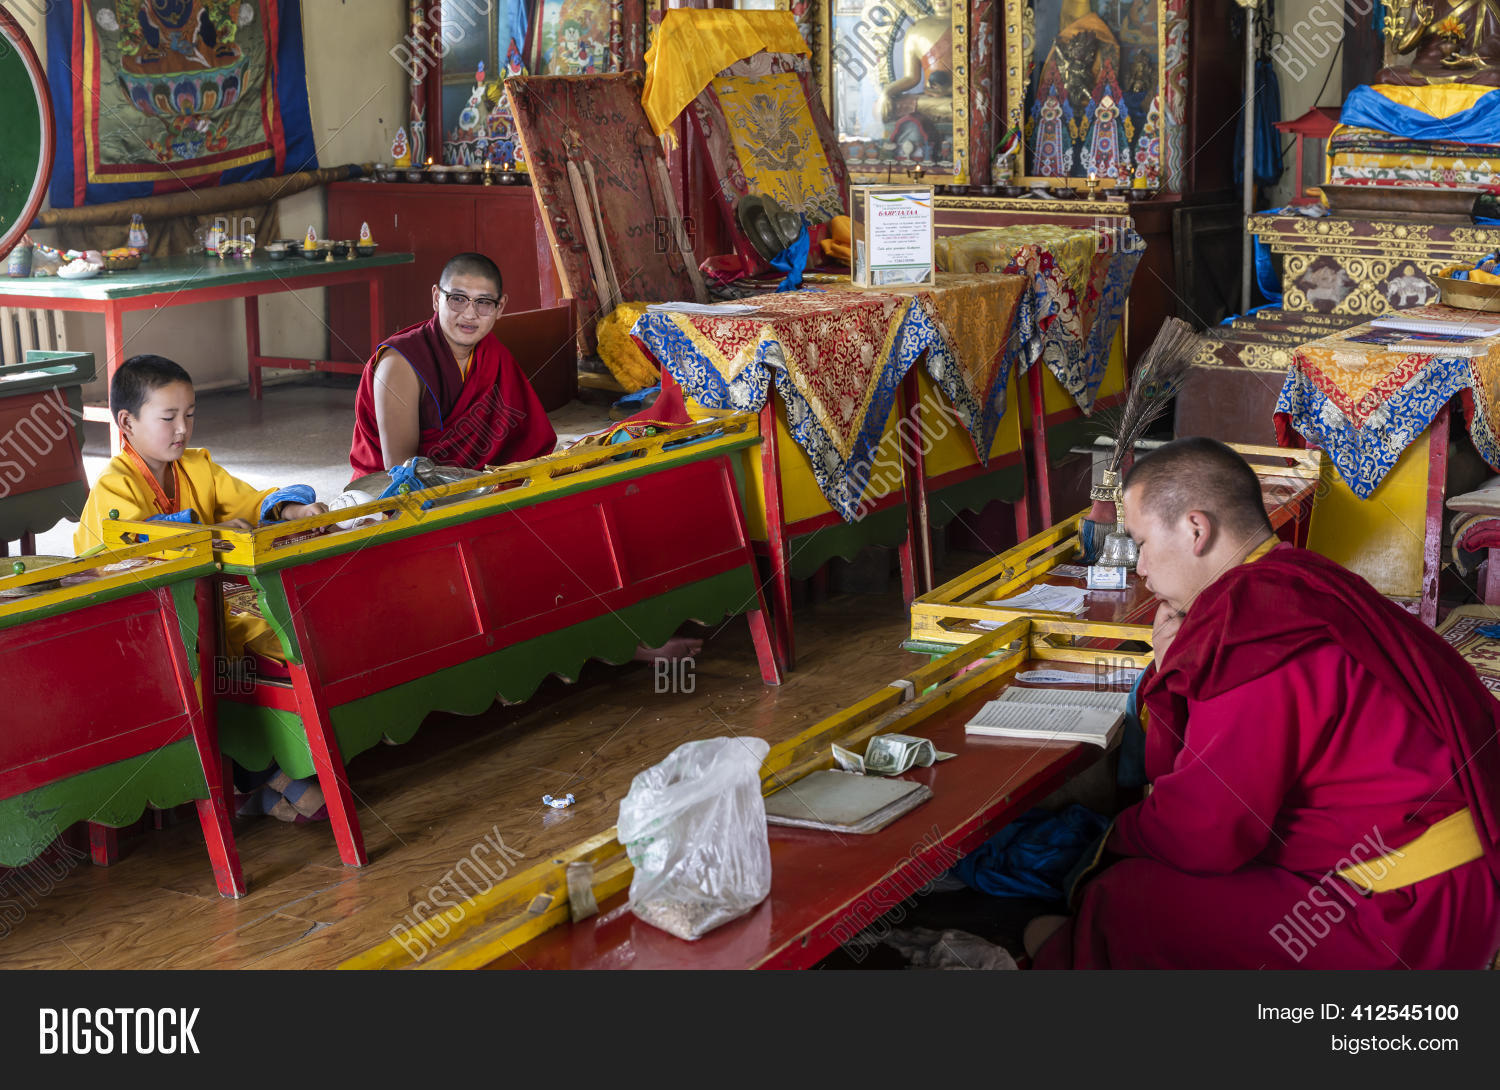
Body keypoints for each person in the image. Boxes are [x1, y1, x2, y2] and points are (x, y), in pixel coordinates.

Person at [1029, 437, 1500, 969]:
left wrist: (1113, 833)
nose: (1139, 568)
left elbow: (1205, 833)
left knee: (1123, 895)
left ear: (1195, 529)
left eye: (1139, 542)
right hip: (1454, 862)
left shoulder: (1248, 629)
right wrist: (1178, 661)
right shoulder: (1303, 578)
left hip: (1405, 914)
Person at [74, 354, 331, 824]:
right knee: (217, 650)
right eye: (168, 417)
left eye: (190, 415)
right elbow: (129, 552)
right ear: (126, 422)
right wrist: (207, 533)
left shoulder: (199, 467)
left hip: (204, 603)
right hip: (142, 621)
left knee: (272, 621)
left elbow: (249, 502)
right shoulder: (115, 484)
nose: (182, 430)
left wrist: (290, 512)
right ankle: (263, 778)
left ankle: (257, 774)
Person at [348, 252, 556, 480]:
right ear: (437, 297)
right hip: (391, 500)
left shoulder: (493, 354)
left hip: (475, 489)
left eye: (484, 303)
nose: (469, 314)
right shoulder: (400, 363)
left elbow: (526, 441)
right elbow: (399, 472)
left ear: (500, 307)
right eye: (458, 299)